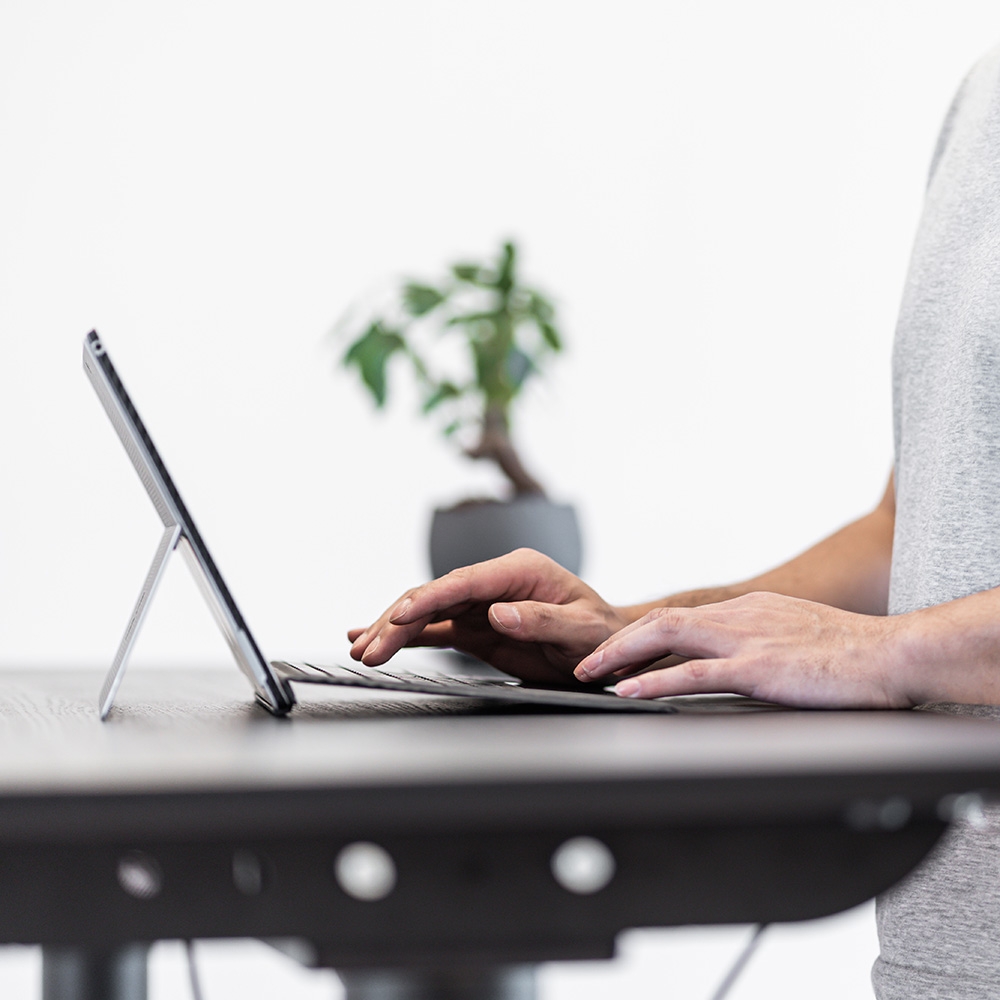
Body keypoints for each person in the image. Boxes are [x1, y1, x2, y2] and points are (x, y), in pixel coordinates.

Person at [349, 42, 1000, 1000]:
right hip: (948, 946)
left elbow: (896, 631)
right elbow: (918, 522)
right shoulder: (983, 99)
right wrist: (639, 633)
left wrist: (889, 653)